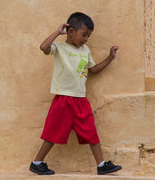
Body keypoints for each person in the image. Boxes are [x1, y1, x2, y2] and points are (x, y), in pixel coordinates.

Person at [29, 12, 122, 175]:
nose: (86, 39)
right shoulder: (60, 48)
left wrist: (110, 58)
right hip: (63, 98)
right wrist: (58, 32)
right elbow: (43, 48)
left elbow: (93, 69)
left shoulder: (85, 50)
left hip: (80, 100)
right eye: (84, 34)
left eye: (88, 36)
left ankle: (101, 165)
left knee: (91, 132)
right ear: (71, 31)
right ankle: (37, 162)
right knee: (53, 132)